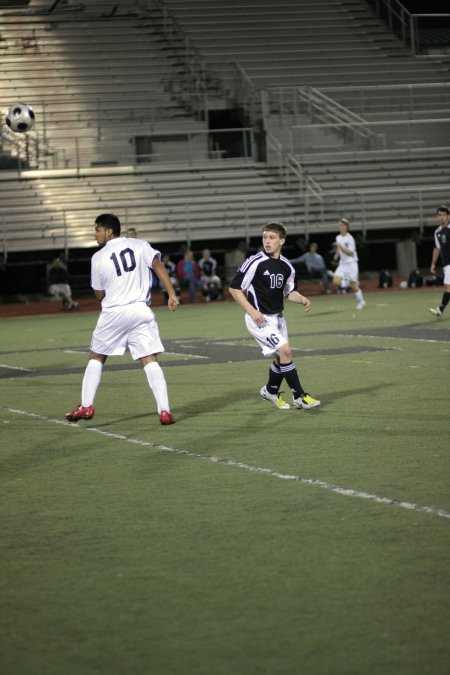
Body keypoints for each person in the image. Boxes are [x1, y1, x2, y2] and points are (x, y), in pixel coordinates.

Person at [65, 213, 179, 426]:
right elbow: (158, 266)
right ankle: (164, 411)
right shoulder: (140, 244)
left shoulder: (98, 257)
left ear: (109, 231)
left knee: (96, 356)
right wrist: (172, 294)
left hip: (114, 312)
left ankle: (86, 405)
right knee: (149, 359)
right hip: (140, 310)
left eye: (97, 229)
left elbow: (99, 295)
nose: (94, 234)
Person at [229, 220, 320, 411]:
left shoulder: (287, 266)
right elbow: (234, 289)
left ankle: (270, 390)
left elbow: (289, 292)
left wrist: (302, 299)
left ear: (282, 241)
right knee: (285, 350)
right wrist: (252, 311)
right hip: (259, 319)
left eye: (272, 237)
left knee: (281, 358)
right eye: (264, 237)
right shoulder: (255, 262)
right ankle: (299, 396)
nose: (267, 241)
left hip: (278, 318)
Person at [332, 218, 366, 309]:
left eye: (343, 226)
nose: (341, 227)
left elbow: (350, 253)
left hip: (351, 263)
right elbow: (339, 248)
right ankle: (345, 282)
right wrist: (336, 254)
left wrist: (341, 248)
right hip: (343, 264)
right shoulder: (338, 237)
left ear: (346, 227)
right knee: (336, 281)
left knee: (353, 285)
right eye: (340, 226)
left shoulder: (350, 239)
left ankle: (362, 302)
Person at [429, 204, 450, 317]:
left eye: (444, 215)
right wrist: (433, 263)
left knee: (448, 286)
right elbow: (437, 248)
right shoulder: (437, 232)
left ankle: (440, 309)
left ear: (448, 216)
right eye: (439, 215)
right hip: (446, 263)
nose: (442, 217)